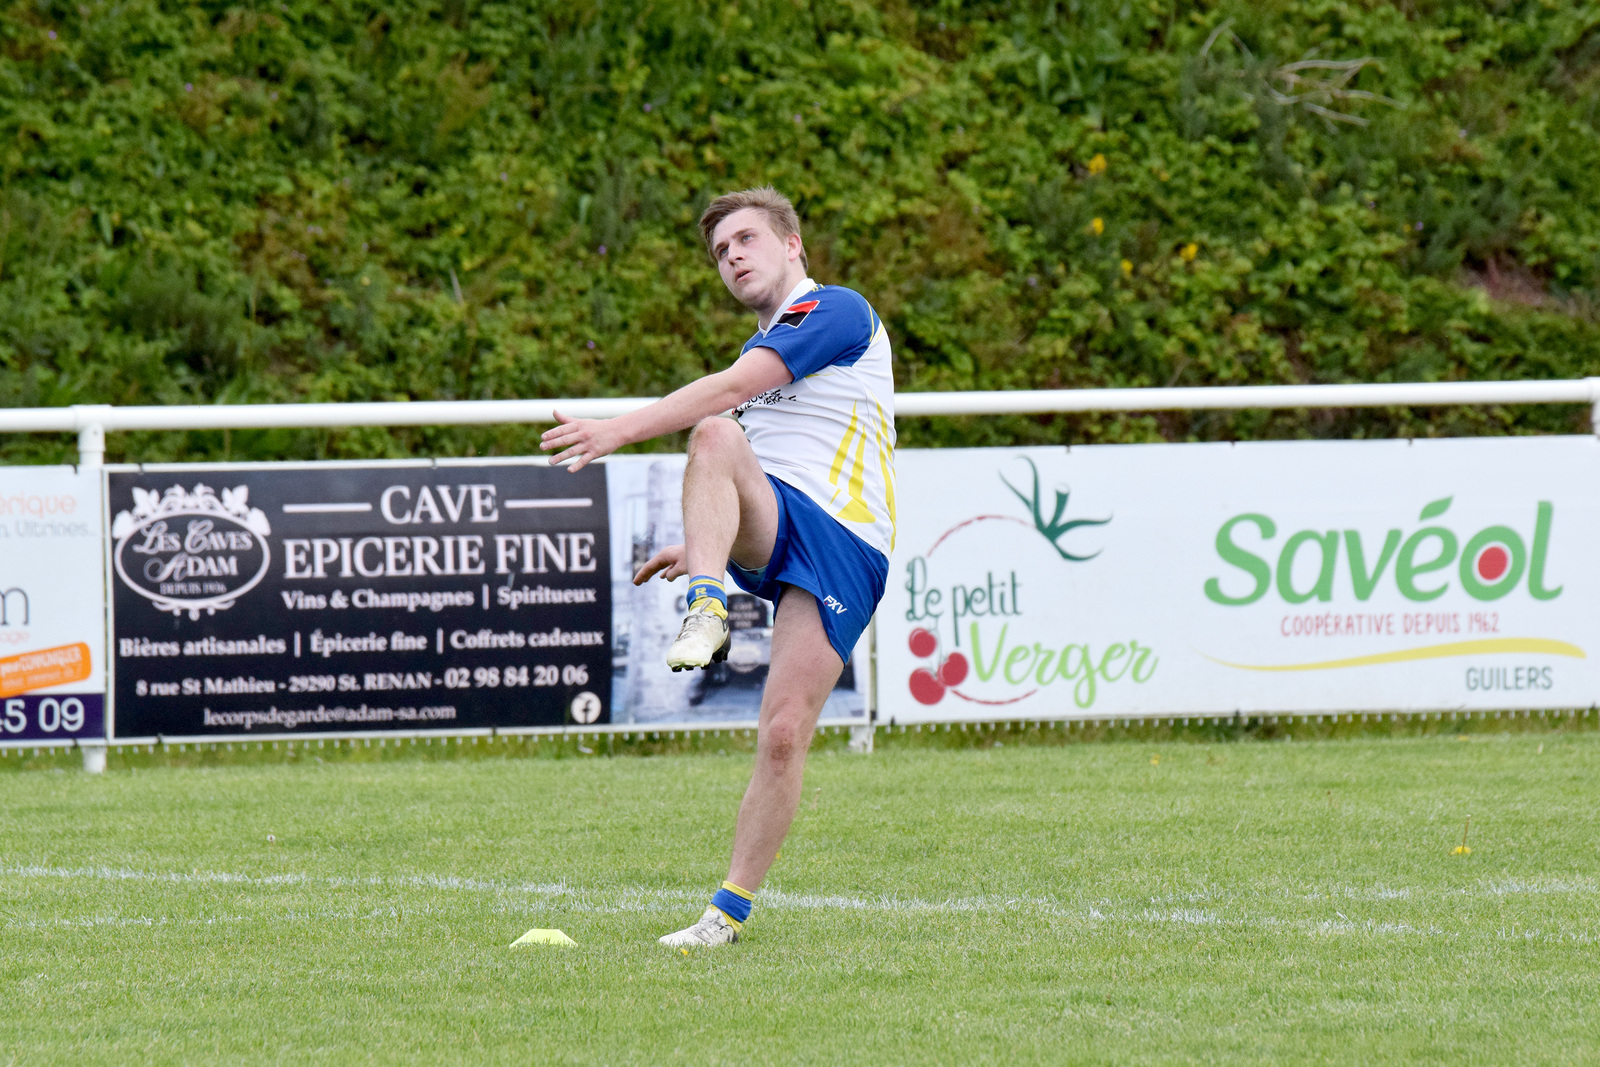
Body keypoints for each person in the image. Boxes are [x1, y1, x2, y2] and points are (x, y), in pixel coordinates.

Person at [539, 186, 896, 947]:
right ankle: (707, 607)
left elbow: (733, 391)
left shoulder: (834, 309)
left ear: (792, 244)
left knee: (784, 732)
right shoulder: (755, 355)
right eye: (720, 251)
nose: (731, 256)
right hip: (781, 522)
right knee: (714, 436)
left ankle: (727, 912)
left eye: (745, 239)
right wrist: (706, 549)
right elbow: (731, 466)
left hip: (847, 541)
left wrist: (615, 430)